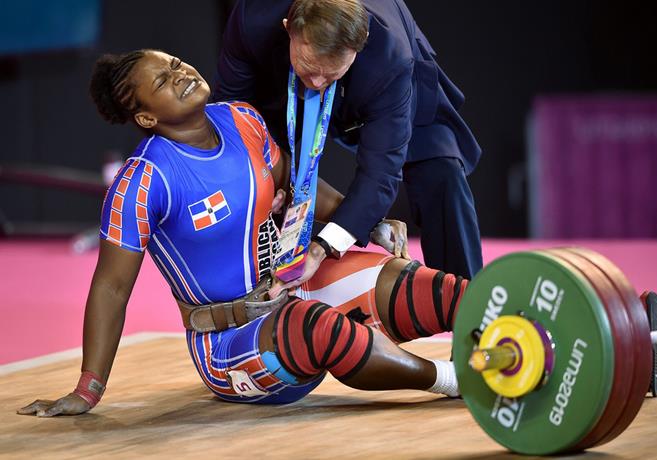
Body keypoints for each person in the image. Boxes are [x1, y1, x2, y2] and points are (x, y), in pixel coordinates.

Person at [17, 49, 472, 416]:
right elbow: (111, 288)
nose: (180, 74)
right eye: (163, 81)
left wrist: (365, 222)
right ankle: (456, 380)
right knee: (318, 326)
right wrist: (88, 388)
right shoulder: (141, 182)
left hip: (295, 287)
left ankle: (502, 332)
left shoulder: (240, 119)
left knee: (420, 284)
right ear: (147, 118)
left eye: (175, 63)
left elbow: (297, 185)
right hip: (231, 342)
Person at [213, 0, 484, 284]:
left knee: (441, 172)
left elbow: (381, 172)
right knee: (257, 171)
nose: (318, 83)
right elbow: (231, 119)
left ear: (361, 43)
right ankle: (263, 282)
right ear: (287, 28)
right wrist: (265, 177)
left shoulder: (390, 57)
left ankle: (467, 299)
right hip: (280, 84)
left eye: (330, 73)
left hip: (380, 81)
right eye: (310, 67)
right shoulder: (252, 19)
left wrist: (322, 247)